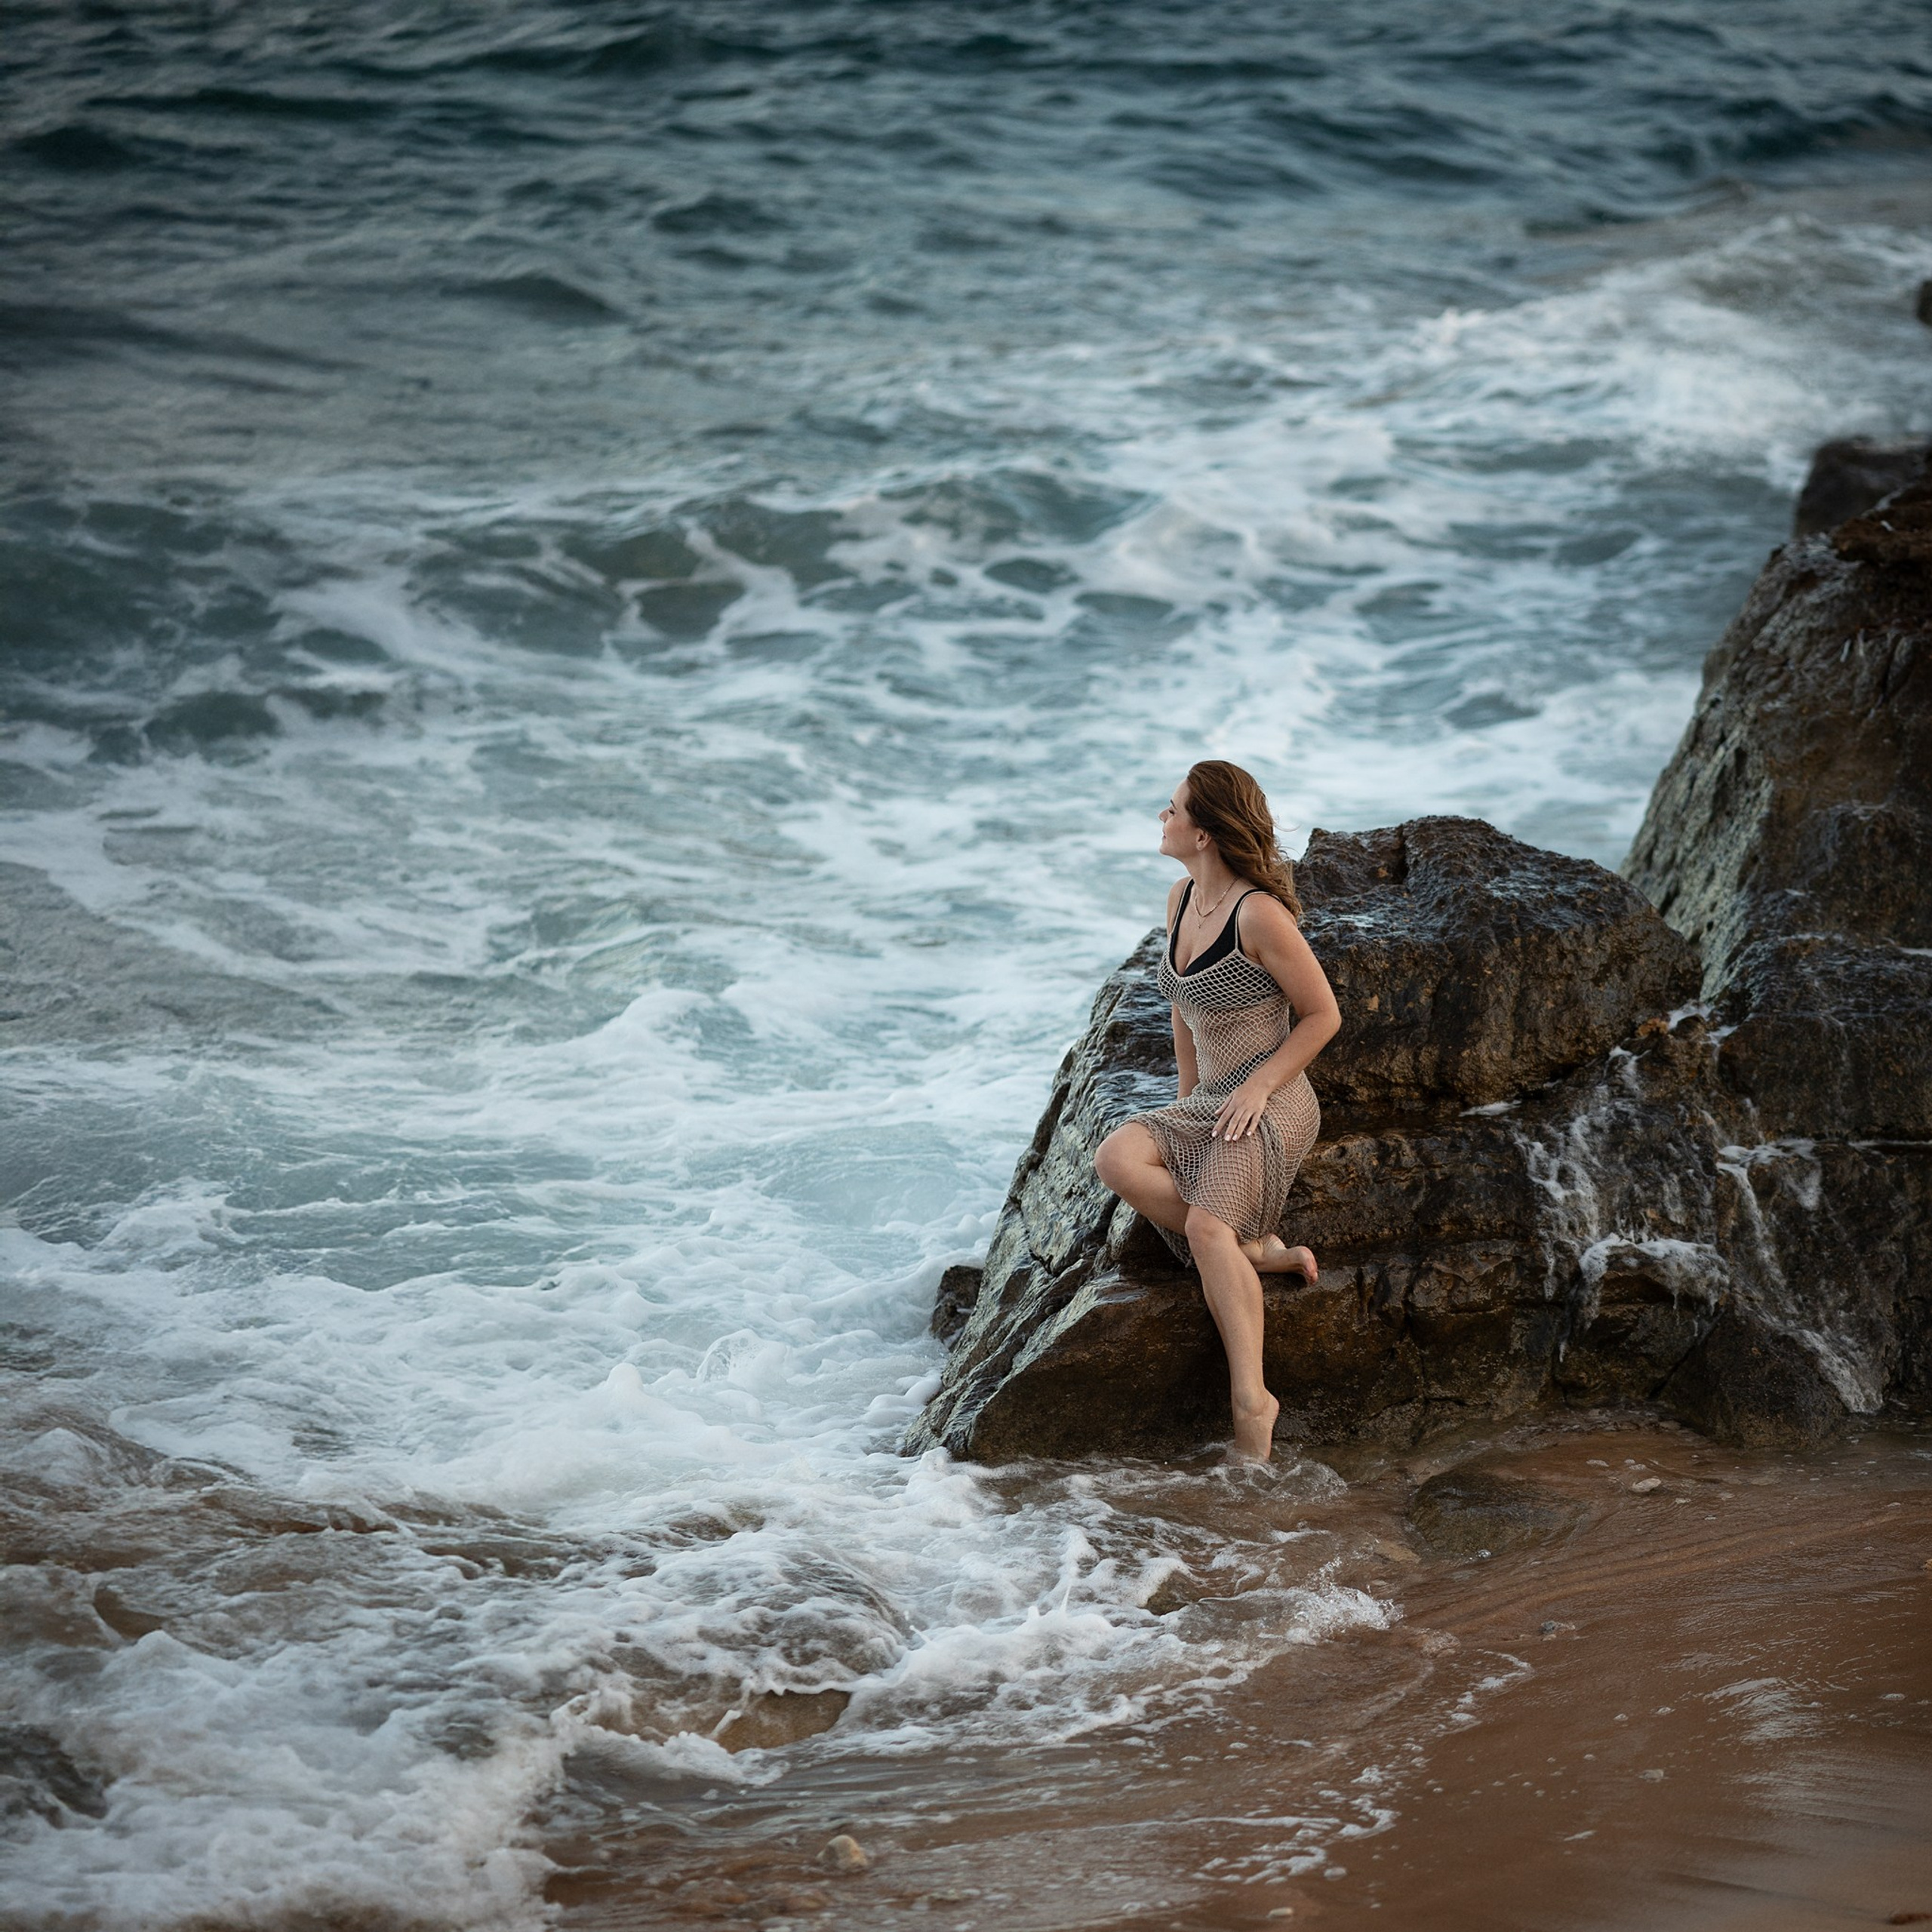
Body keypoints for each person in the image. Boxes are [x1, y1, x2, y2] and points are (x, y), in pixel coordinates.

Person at [1094, 761, 1341, 1462]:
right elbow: (1184, 1011)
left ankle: (1252, 1404)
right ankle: (1258, 1252)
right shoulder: (1178, 899)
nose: (1161, 818)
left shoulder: (1258, 914)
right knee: (1115, 1156)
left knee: (1206, 1227)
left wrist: (1259, 1088)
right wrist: (1184, 1107)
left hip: (1274, 1099)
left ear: (1203, 832)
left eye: (1170, 810)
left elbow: (1323, 1016)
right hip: (1209, 1099)